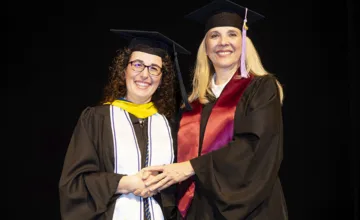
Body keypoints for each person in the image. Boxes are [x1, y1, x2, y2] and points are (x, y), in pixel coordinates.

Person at [142, 0, 288, 219]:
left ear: (244, 42)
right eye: (214, 36)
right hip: (200, 209)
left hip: (253, 208)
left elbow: (255, 147)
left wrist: (190, 167)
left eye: (232, 34)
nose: (223, 42)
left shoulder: (261, 88)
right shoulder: (192, 103)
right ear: (206, 48)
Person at [58, 29, 190, 220]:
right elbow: (74, 184)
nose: (145, 75)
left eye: (154, 68)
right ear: (124, 70)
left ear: (162, 79)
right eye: (137, 65)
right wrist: (125, 183)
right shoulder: (97, 119)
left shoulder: (171, 126)